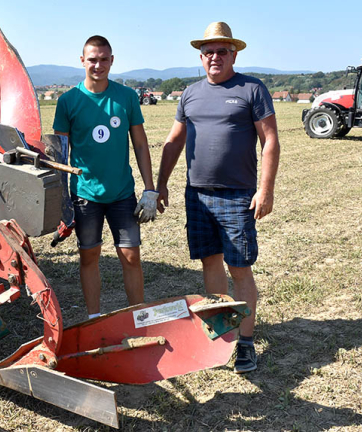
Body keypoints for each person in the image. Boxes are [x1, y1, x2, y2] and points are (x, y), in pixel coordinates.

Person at [156, 22, 280, 373]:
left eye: (221, 51)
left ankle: (246, 343)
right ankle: (222, 336)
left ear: (233, 54)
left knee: (239, 268)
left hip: (238, 195)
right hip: (197, 195)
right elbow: (175, 140)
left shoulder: (252, 89)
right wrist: (161, 184)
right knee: (210, 264)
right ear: (201, 56)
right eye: (208, 52)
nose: (215, 57)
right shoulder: (190, 93)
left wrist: (265, 189)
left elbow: (270, 140)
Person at [53, 35, 158, 320]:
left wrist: (150, 189)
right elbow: (60, 155)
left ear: (112, 61)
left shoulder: (126, 97)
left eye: (103, 59)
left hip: (122, 193)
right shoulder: (68, 101)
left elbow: (139, 144)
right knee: (89, 257)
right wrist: (62, 201)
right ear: (82, 61)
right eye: (92, 59)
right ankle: (94, 319)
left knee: (131, 257)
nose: (97, 65)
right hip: (85, 196)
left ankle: (139, 317)